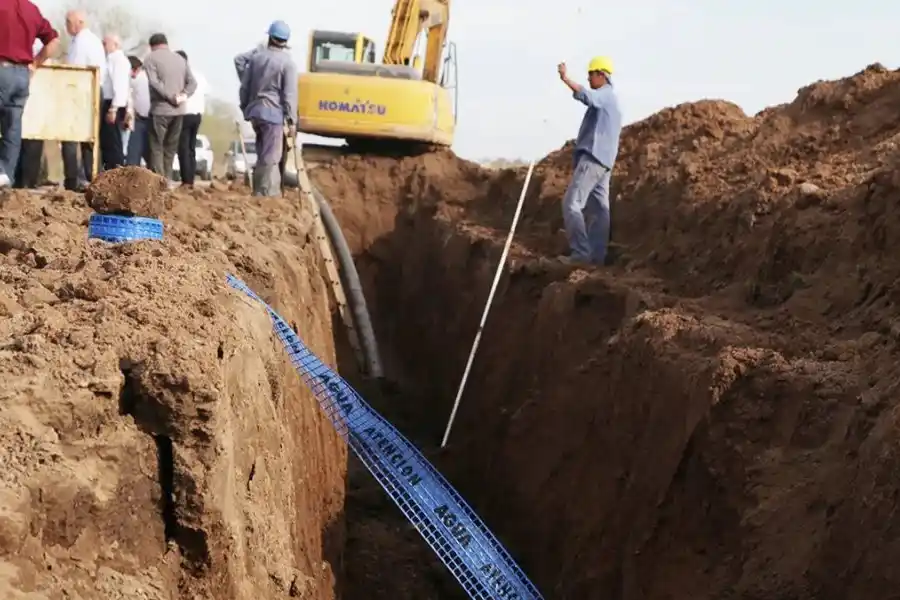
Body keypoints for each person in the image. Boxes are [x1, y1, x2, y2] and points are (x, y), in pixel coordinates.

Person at [556, 56, 622, 266]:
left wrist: (566, 79)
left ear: (602, 75)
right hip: (605, 162)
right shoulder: (611, 100)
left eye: (591, 74)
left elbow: (588, 97)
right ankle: (596, 257)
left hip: (593, 158)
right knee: (601, 210)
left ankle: (581, 254)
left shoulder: (604, 95)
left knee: (572, 203)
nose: (589, 77)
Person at [0, 0, 59, 189]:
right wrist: (36, 62)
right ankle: (5, 177)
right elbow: (53, 40)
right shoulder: (31, 9)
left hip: (2, 69)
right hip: (22, 74)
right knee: (13, 128)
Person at [236, 20, 297, 196]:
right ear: (285, 42)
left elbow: (244, 87)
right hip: (273, 115)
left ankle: (262, 191)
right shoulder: (288, 64)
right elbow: (290, 95)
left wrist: (246, 107)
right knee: (271, 157)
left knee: (263, 152)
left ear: (269, 37)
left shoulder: (256, 58)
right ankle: (264, 195)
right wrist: (292, 121)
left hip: (256, 112)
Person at [61, 9, 104, 191]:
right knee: (90, 138)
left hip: (82, 92)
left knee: (70, 135)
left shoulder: (80, 42)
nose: (66, 26)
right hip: (94, 90)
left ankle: (73, 179)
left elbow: (74, 71)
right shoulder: (93, 40)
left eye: (68, 22)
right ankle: (93, 176)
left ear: (78, 22)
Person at [142, 33, 196, 178]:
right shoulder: (180, 59)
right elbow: (192, 83)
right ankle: (167, 181)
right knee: (170, 149)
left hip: (160, 110)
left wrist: (169, 97)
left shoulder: (150, 58)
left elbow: (154, 83)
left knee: (156, 148)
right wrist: (182, 96)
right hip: (178, 111)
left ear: (152, 45)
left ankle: (159, 183)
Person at [175, 49, 207, 186]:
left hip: (185, 114)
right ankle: (191, 179)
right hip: (198, 115)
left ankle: (186, 180)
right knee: (191, 148)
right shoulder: (199, 75)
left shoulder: (180, 76)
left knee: (183, 148)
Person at [99, 34, 130, 170]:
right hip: (112, 103)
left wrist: (113, 108)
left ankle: (115, 171)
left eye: (105, 43)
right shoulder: (112, 60)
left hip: (113, 104)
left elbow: (119, 85)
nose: (103, 46)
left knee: (113, 141)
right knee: (107, 141)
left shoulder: (117, 60)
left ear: (115, 45)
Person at [124, 55, 150, 166]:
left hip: (140, 119)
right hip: (151, 119)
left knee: (133, 152)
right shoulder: (148, 77)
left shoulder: (137, 80)